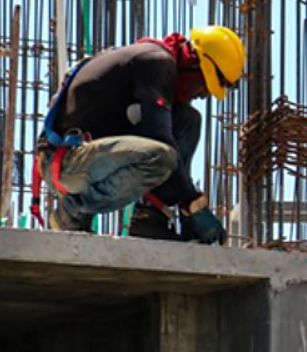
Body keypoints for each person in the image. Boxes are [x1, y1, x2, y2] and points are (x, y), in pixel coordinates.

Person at [35, 25, 245, 243]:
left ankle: (150, 217)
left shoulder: (155, 62)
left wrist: (187, 205)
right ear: (194, 65)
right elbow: (160, 138)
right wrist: (193, 204)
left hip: (92, 157)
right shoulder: (156, 62)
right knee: (160, 157)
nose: (202, 94)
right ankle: (73, 211)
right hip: (66, 161)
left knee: (187, 120)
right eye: (204, 85)